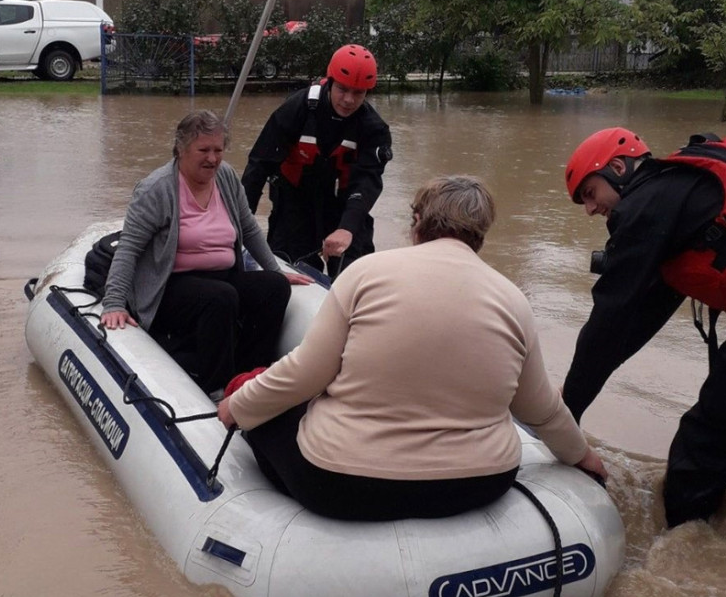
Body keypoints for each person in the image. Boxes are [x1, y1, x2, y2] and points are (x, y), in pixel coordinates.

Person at [217, 175, 608, 521]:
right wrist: (582, 456)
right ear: (481, 234)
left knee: (267, 416)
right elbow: (540, 408)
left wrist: (239, 406)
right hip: (478, 483)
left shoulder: (366, 274)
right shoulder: (512, 300)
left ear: (417, 223)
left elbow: (304, 376)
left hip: (342, 483)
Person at [562, 127, 726, 539]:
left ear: (617, 167)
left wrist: (565, 413)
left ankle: (683, 555)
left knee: (702, 445)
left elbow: (609, 320)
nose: (589, 209)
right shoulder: (682, 195)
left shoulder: (644, 205)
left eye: (590, 193)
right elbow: (638, 321)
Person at [101, 110, 312, 396]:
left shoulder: (224, 176)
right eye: (203, 150)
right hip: (171, 286)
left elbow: (248, 228)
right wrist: (114, 302)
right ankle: (216, 386)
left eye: (218, 150)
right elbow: (129, 249)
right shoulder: (156, 189)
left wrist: (276, 270)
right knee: (220, 298)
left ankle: (252, 374)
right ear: (181, 149)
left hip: (223, 275)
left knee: (272, 288)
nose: (212, 158)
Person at [241, 44, 393, 275]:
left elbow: (367, 182)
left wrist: (347, 228)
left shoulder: (374, 129)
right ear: (330, 81)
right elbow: (259, 165)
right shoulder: (297, 109)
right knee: (288, 267)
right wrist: (240, 219)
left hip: (344, 206)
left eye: (358, 92)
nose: (349, 100)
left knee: (357, 270)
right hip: (294, 202)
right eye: (343, 89)